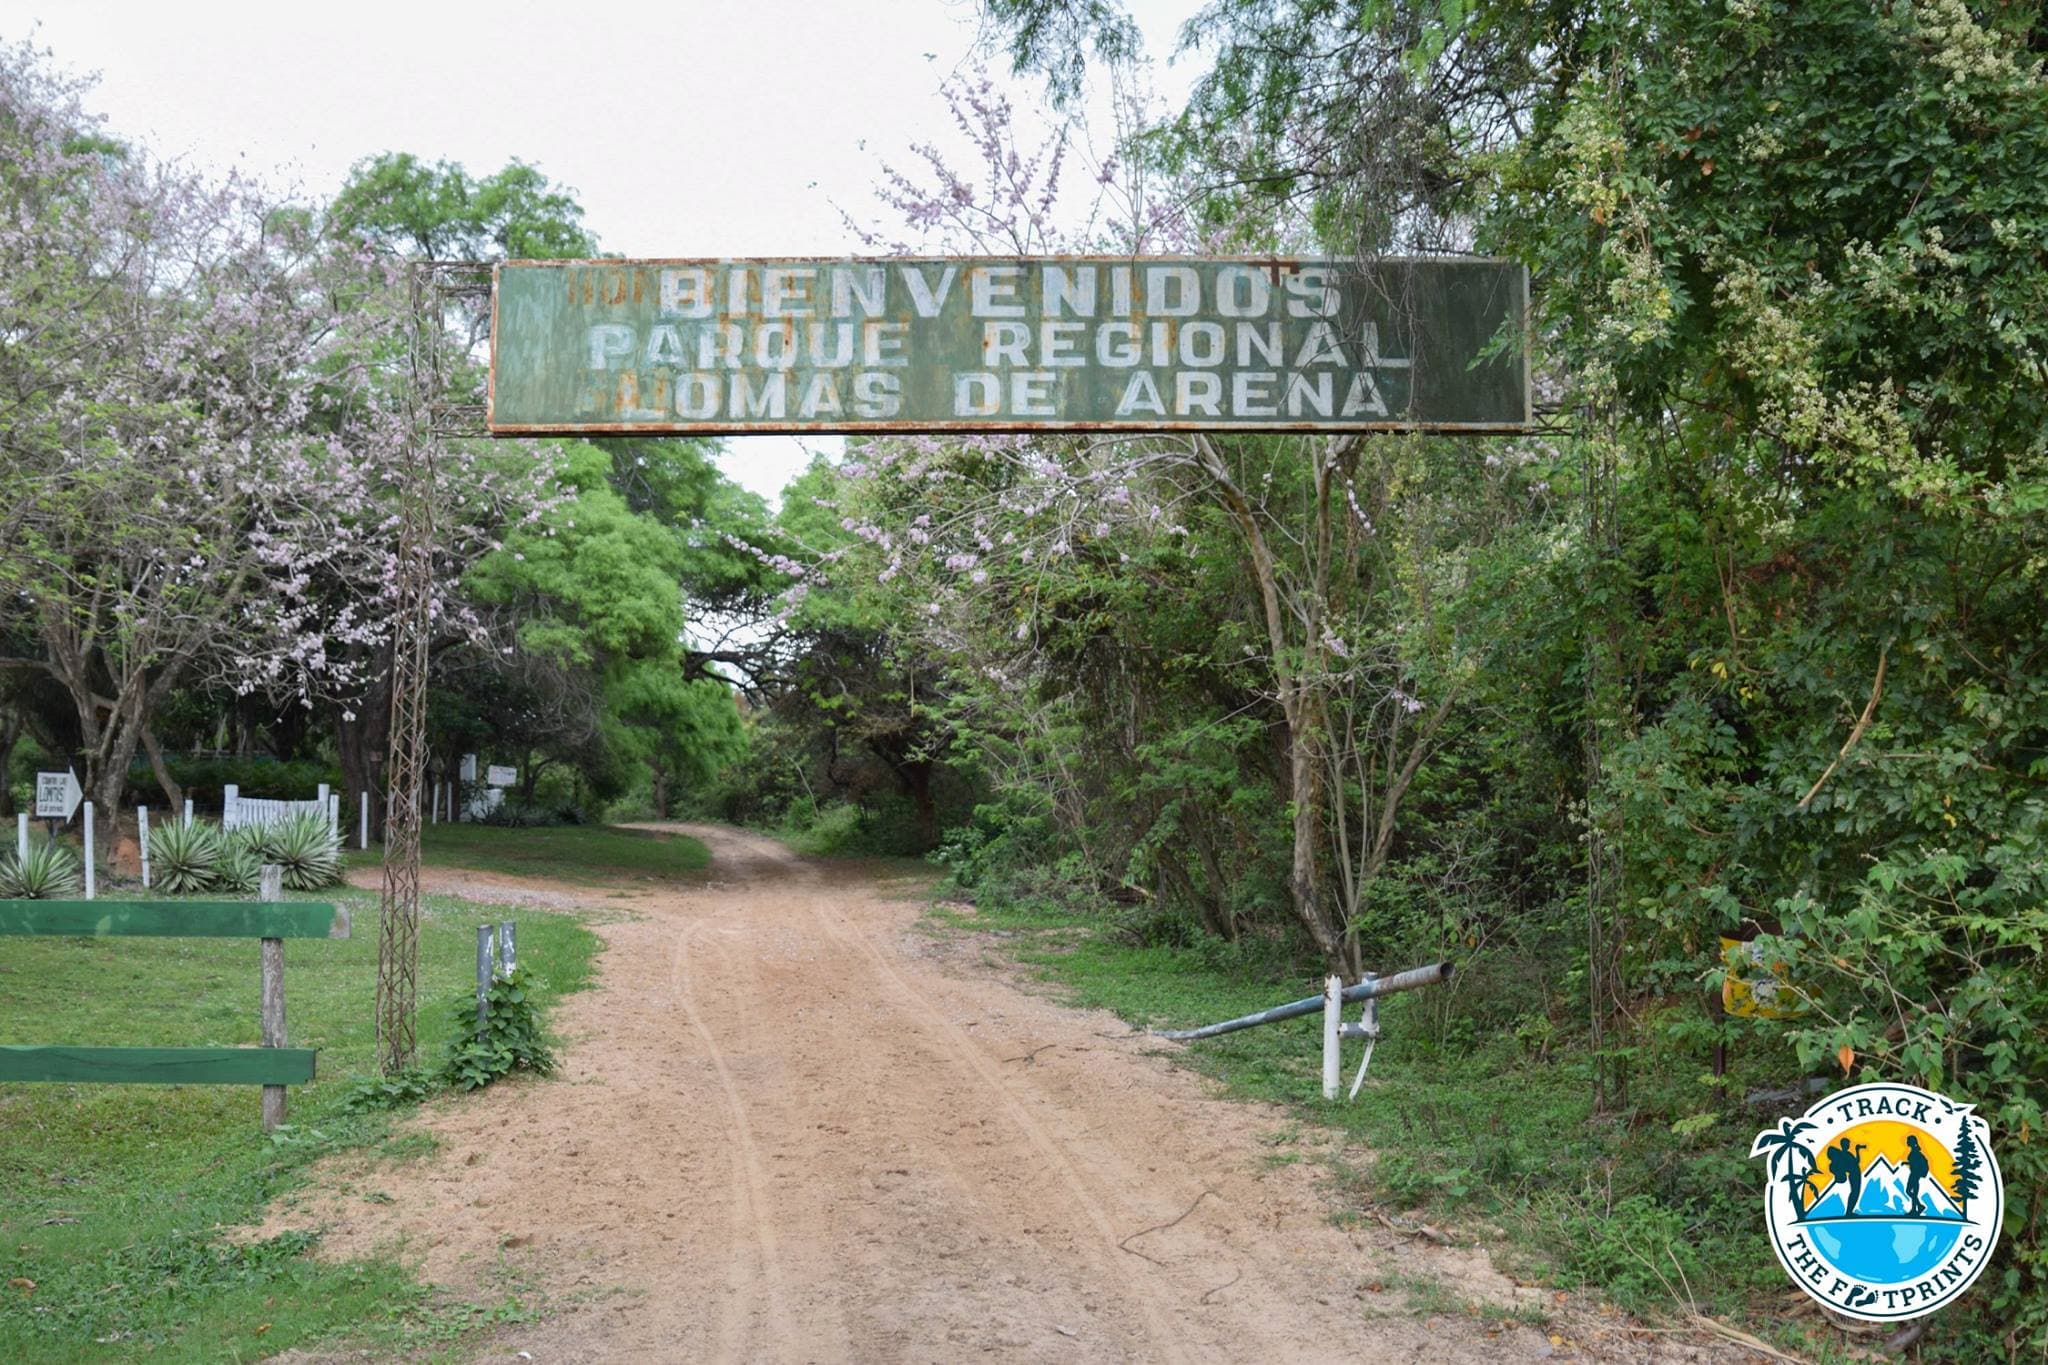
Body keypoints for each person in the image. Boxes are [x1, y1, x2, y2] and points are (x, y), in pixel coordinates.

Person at [1824, 1137, 1863, 1216]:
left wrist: (1857, 1150)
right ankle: (1849, 1212)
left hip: (1854, 1174)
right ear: (1844, 1145)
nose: (1849, 1145)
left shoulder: (1844, 1154)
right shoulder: (1845, 1154)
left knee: (1854, 1193)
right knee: (1855, 1193)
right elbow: (1856, 1162)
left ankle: (1849, 1211)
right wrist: (1857, 1150)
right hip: (1854, 1174)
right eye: (1848, 1144)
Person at [1904, 1135, 1930, 1217]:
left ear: (1911, 1142)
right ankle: (1917, 1208)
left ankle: (1916, 1208)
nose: (1907, 1142)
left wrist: (1909, 1163)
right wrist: (1906, 1163)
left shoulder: (1915, 1152)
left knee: (1909, 1191)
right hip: (1915, 1174)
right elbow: (1914, 1162)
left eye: (1908, 1141)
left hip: (1915, 1174)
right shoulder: (1914, 1151)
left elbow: (1915, 1163)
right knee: (1913, 1192)